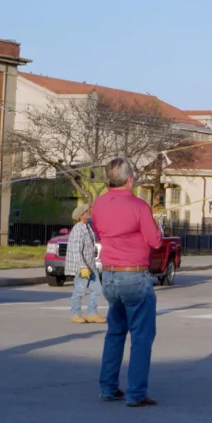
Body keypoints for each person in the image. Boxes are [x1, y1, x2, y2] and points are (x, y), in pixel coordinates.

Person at [91, 157, 162, 407]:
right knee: (141, 337)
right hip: (134, 275)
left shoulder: (98, 205)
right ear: (130, 179)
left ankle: (108, 388)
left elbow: (100, 231)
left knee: (115, 333)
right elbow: (155, 241)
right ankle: (136, 393)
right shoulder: (140, 206)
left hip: (109, 275)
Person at [66, 204, 106, 325]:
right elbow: (76, 250)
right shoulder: (78, 229)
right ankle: (75, 314)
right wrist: (82, 267)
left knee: (97, 289)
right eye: (86, 211)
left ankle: (92, 313)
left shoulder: (87, 227)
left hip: (91, 266)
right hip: (82, 267)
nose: (89, 212)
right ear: (81, 215)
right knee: (79, 290)